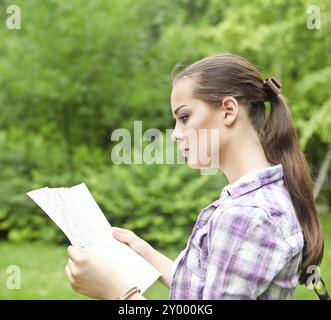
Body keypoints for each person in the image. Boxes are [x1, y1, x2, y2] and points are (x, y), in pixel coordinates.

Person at [65, 53, 325, 300]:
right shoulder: (257, 198)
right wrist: (142, 252)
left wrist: (117, 292)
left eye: (185, 117)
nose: (176, 133)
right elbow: (203, 288)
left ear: (228, 110)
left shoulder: (247, 215)